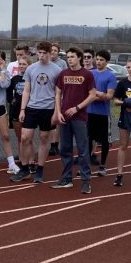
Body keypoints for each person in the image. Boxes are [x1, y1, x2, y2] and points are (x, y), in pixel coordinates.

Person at [14, 42, 62, 184]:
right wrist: (22, 109)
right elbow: (26, 90)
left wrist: (56, 112)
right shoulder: (31, 69)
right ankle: (24, 168)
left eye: (44, 53)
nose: (41, 56)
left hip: (48, 108)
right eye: (39, 53)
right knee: (25, 138)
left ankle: (40, 169)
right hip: (32, 108)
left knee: (43, 138)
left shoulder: (57, 70)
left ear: (49, 53)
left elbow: (58, 93)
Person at [52, 47, 98, 193]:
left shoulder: (87, 74)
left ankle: (85, 180)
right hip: (64, 117)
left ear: (79, 58)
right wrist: (58, 112)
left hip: (80, 117)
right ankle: (66, 179)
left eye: (72, 57)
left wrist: (77, 108)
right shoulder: (63, 74)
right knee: (65, 148)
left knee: (83, 149)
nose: (69, 59)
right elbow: (58, 94)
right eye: (68, 57)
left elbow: (92, 95)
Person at [88, 50, 117, 176]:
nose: (99, 62)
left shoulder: (110, 76)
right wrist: (95, 95)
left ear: (107, 62)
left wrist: (96, 95)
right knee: (88, 139)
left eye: (102, 60)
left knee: (104, 140)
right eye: (98, 59)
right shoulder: (90, 73)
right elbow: (86, 92)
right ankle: (86, 165)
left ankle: (103, 165)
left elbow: (109, 96)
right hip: (89, 112)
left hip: (103, 113)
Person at [7, 54, 31, 168]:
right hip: (16, 110)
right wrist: (12, 101)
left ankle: (31, 161)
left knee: (28, 138)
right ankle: (22, 160)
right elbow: (8, 93)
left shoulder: (31, 78)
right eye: (20, 64)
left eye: (24, 64)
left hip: (29, 110)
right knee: (20, 138)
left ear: (29, 65)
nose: (22, 66)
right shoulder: (14, 79)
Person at [47, 43, 66, 155]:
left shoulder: (62, 64)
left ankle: (55, 144)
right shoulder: (45, 63)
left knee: (56, 119)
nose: (53, 52)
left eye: (55, 50)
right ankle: (51, 143)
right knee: (49, 121)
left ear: (58, 52)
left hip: (59, 94)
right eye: (51, 50)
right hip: (47, 95)